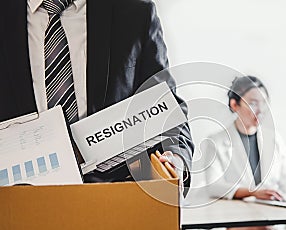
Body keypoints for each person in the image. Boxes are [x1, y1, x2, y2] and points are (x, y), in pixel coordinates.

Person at [0, 0, 194, 194]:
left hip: (117, 200)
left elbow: (166, 108)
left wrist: (175, 160)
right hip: (16, 203)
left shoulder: (136, 13)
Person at [204, 76, 286, 230]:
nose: (260, 110)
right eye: (253, 103)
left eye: (264, 103)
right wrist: (252, 192)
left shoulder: (275, 141)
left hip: (271, 225)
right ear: (234, 105)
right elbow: (214, 186)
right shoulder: (216, 142)